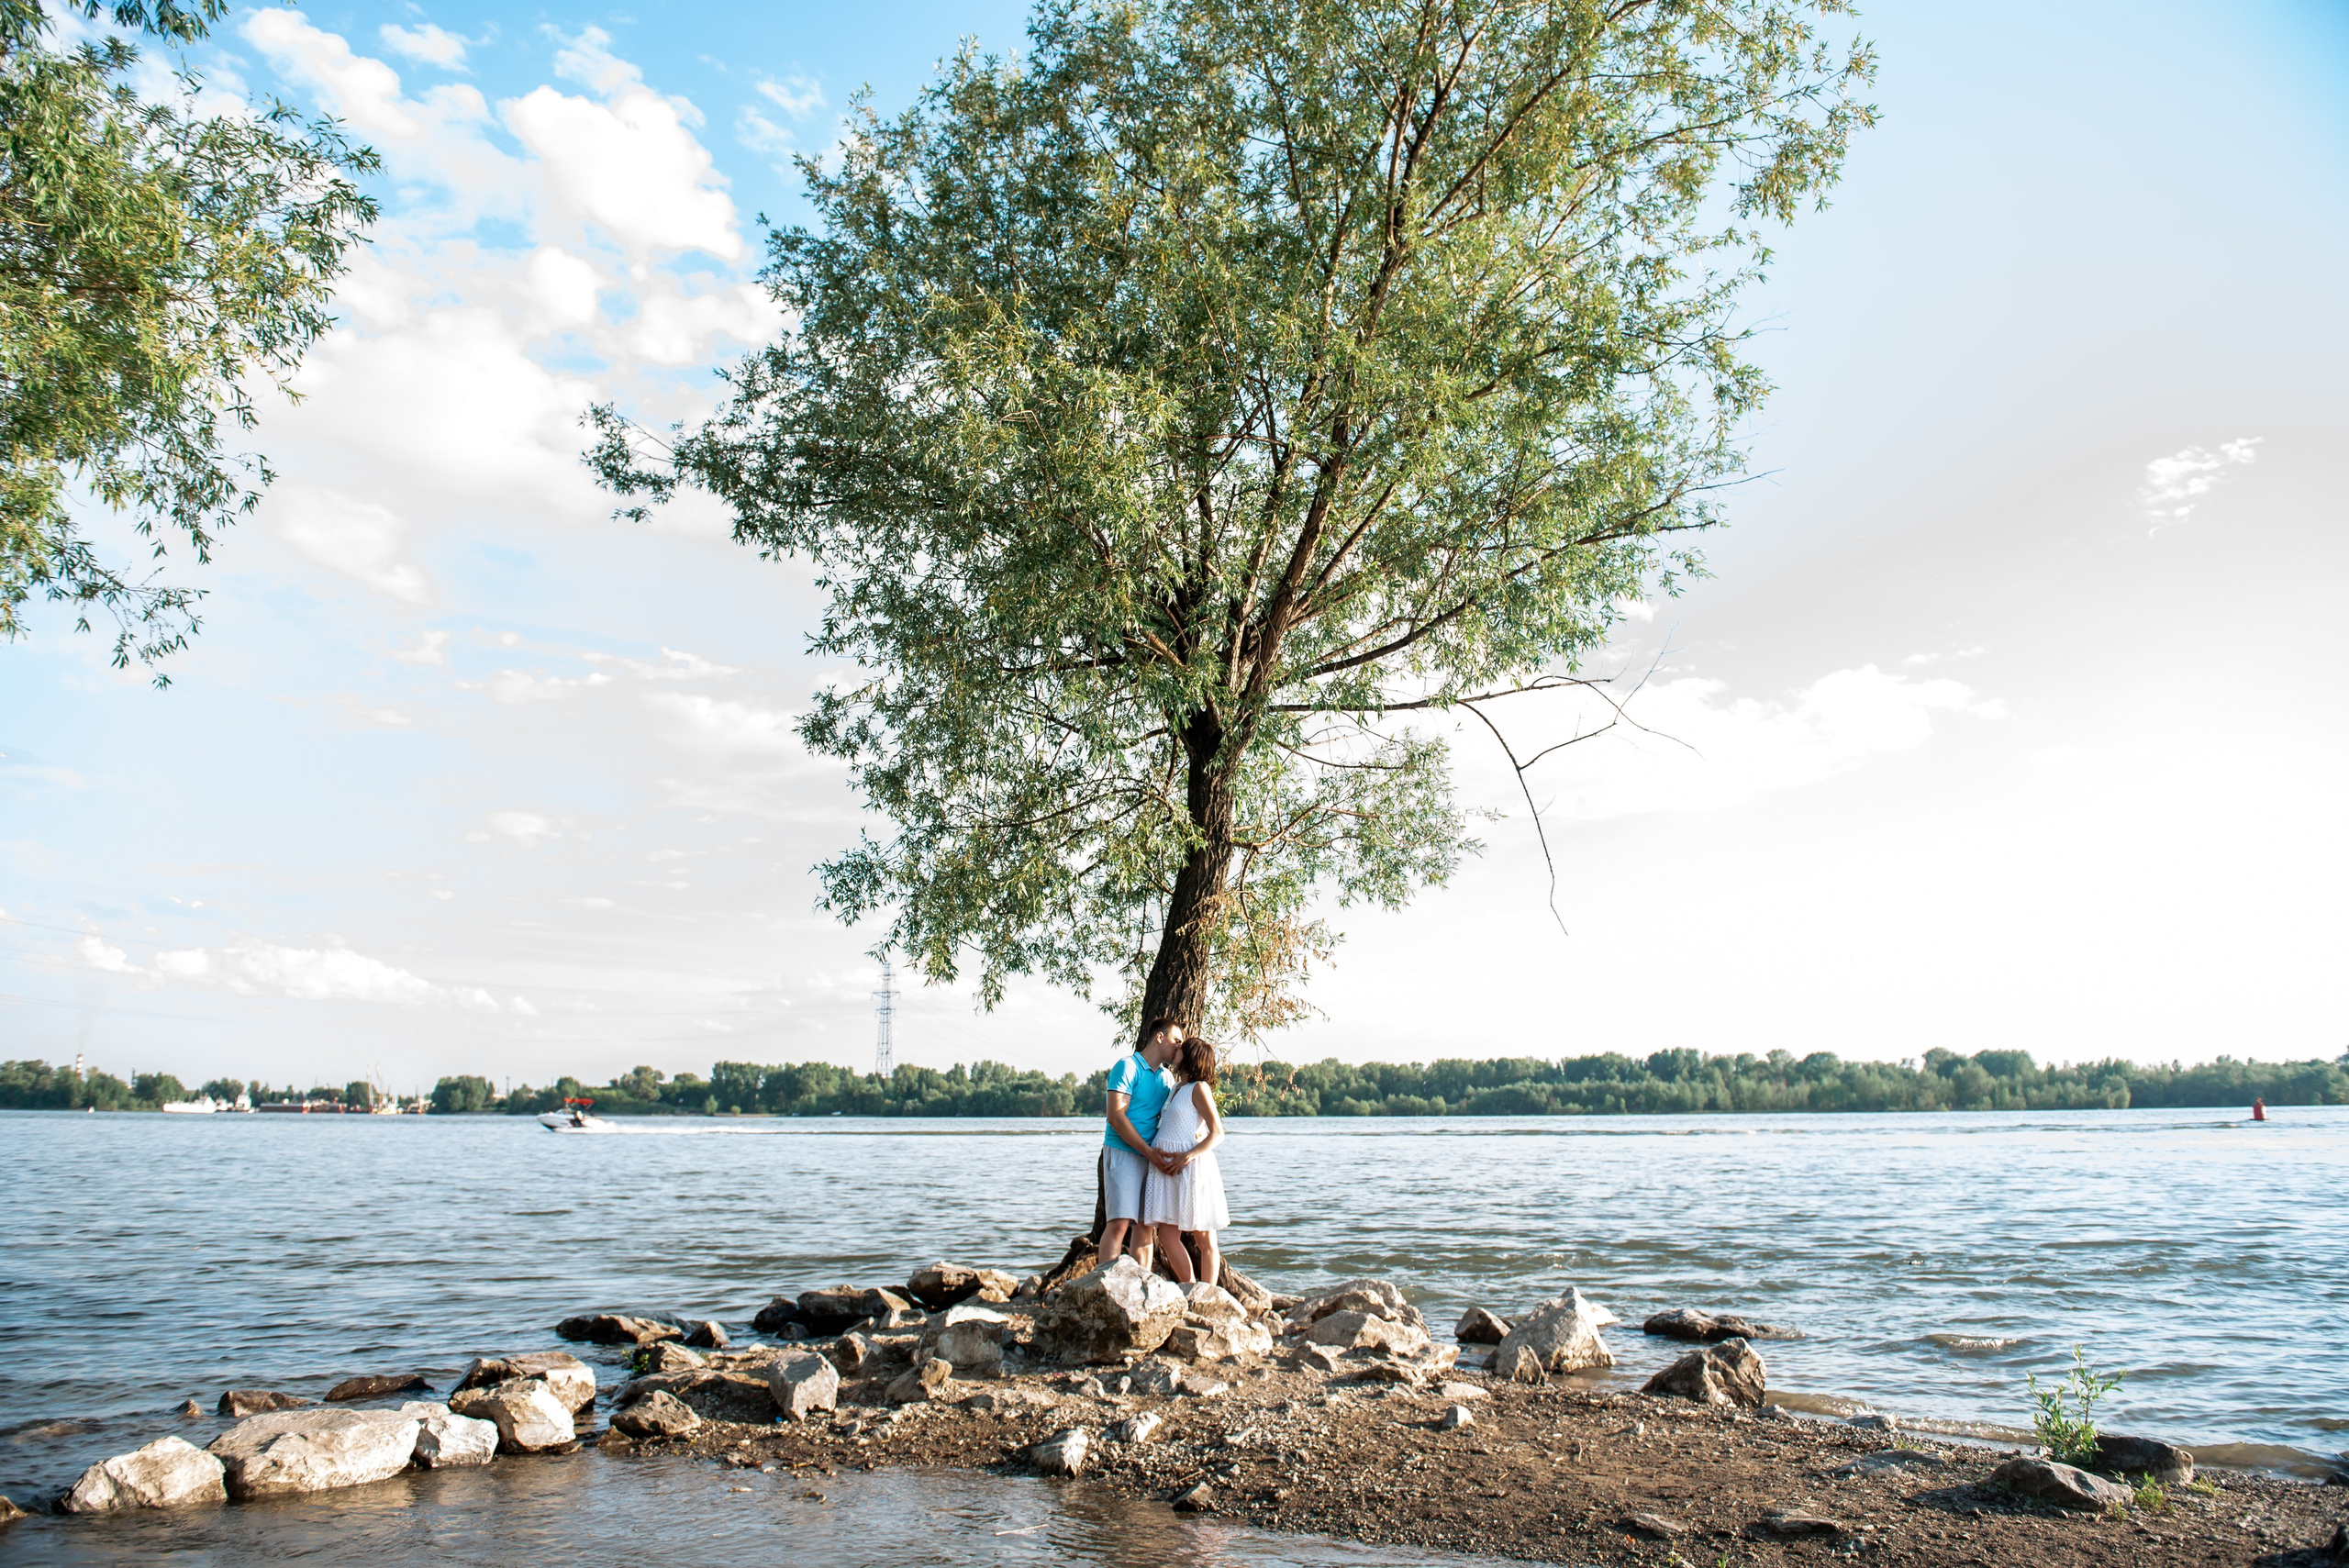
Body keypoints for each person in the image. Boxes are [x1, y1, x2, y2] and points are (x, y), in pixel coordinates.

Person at [1142, 1035, 1230, 1287]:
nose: (1176, 1049)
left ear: (1191, 1056)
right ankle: (1190, 1287)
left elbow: (1217, 1132)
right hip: (1168, 1170)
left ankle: (1208, 1293)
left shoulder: (1198, 1088)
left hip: (1192, 1169)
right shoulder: (1175, 1088)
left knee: (1204, 1238)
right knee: (1168, 1237)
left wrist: (1187, 1156)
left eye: (1182, 1047)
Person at [1097, 1017, 1185, 1266]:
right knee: (1119, 1223)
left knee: (1146, 1226)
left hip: (1151, 1159)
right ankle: (1105, 1285)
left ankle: (1142, 1284)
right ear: (1160, 1037)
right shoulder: (1127, 1067)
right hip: (1123, 1152)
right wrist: (1147, 1150)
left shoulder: (1166, 1078)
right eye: (1176, 1040)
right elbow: (1115, 1116)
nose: (1180, 1047)